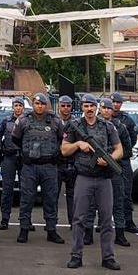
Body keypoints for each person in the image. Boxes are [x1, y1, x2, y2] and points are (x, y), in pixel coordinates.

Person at [61, 95, 124, 270]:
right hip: (84, 177)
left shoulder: (107, 126)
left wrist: (109, 159)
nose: (89, 109)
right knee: (79, 219)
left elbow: (120, 149)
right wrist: (78, 144)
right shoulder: (75, 126)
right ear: (82, 107)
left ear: (97, 107)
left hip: (104, 178)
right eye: (86, 105)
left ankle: (108, 257)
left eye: (92, 105)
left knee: (106, 220)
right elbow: (64, 149)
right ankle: (76, 255)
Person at [11, 93, 64, 244]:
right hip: (30, 166)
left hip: (49, 166)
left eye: (42, 104)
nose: (39, 106)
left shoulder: (55, 121)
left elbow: (63, 139)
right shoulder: (23, 120)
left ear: (46, 105)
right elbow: (15, 138)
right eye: (36, 103)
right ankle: (24, 229)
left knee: (51, 199)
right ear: (33, 104)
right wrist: (26, 153)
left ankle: (51, 230)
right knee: (26, 199)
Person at [99, 100, 132, 248]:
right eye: (103, 108)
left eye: (109, 108)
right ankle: (89, 232)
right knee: (94, 202)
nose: (106, 111)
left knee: (118, 201)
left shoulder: (120, 127)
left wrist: (112, 158)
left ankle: (120, 233)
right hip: (96, 169)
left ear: (113, 110)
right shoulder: (93, 124)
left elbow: (126, 149)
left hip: (114, 168)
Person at [109, 92, 138, 236]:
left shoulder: (127, 121)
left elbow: (132, 140)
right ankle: (103, 222)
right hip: (106, 161)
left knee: (125, 193)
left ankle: (128, 222)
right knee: (104, 193)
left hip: (122, 161)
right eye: (114, 102)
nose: (116, 105)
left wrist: (121, 152)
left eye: (118, 102)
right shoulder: (101, 119)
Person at [0, 98, 25, 231]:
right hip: (9, 157)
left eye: (20, 106)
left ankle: (26, 220)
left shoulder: (27, 121)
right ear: (13, 107)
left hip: (24, 159)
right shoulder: (6, 121)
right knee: (7, 190)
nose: (18, 108)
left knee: (26, 191)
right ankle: (4, 219)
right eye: (16, 105)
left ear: (23, 108)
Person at [55, 95, 78, 237]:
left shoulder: (76, 123)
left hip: (72, 163)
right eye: (63, 105)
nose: (65, 108)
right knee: (53, 195)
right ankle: (52, 224)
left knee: (72, 196)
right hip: (56, 163)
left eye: (68, 106)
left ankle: (73, 223)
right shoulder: (53, 120)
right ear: (59, 106)